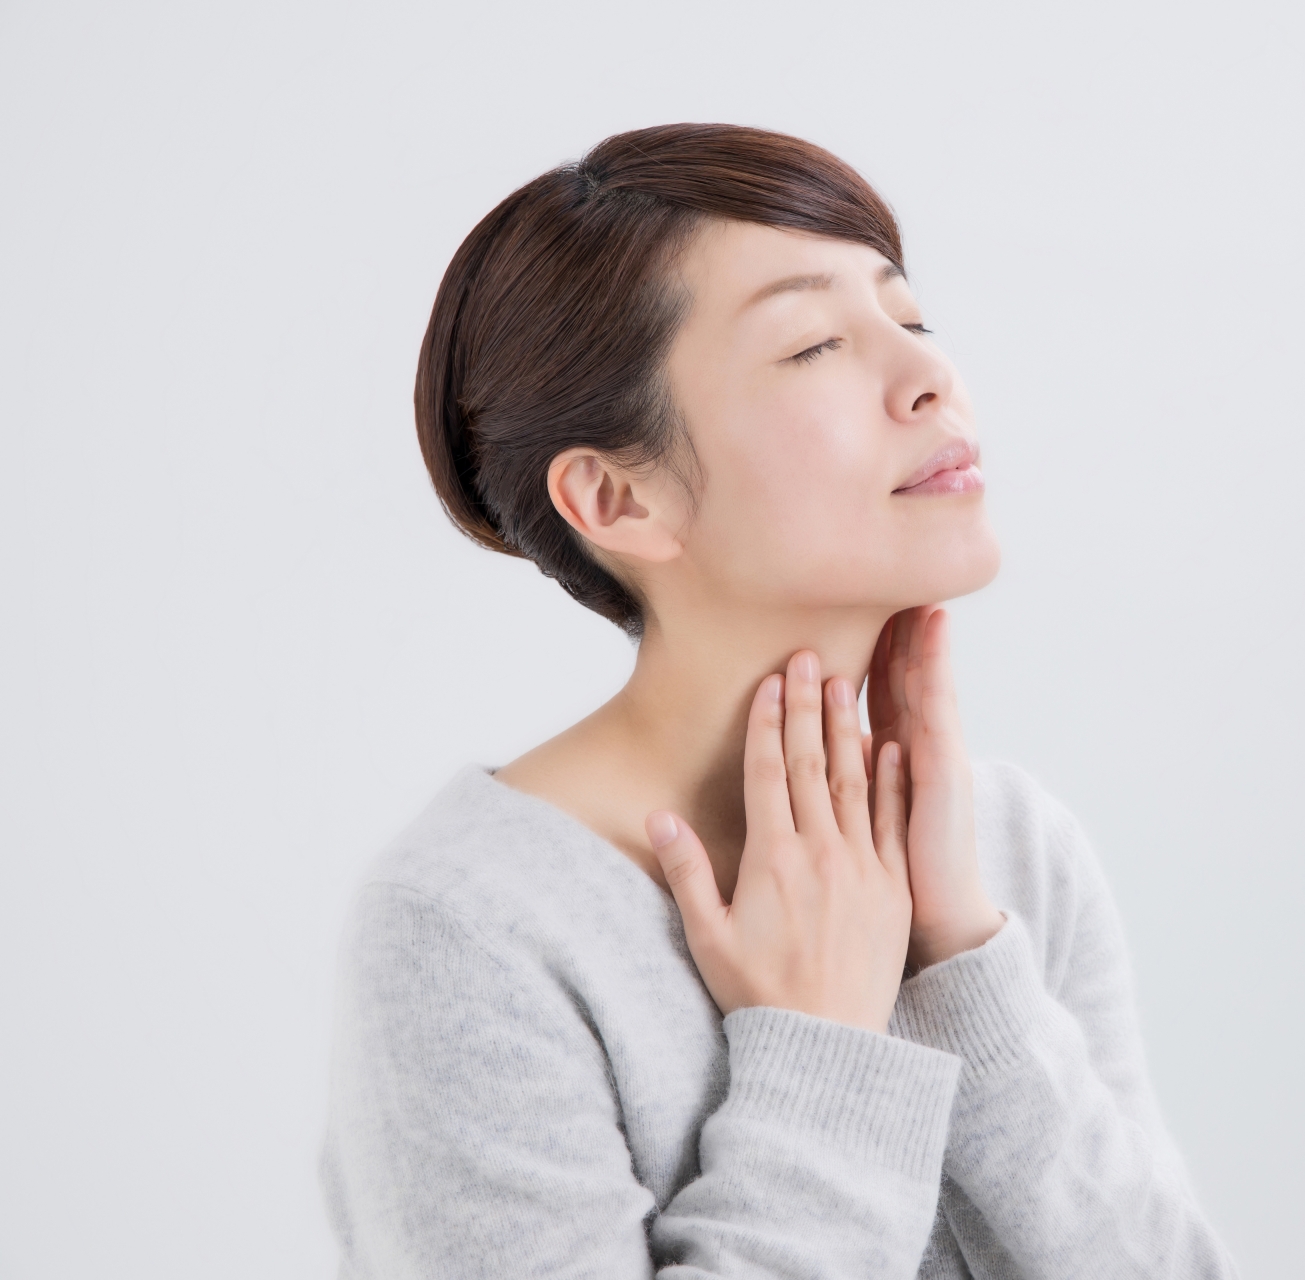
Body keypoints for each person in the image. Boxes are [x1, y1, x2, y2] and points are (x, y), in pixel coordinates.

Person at [321, 123, 1239, 1279]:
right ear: (616, 497)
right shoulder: (475, 927)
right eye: (813, 344)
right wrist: (822, 1057)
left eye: (910, 319)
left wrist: (964, 968)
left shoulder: (1013, 850)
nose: (930, 377)